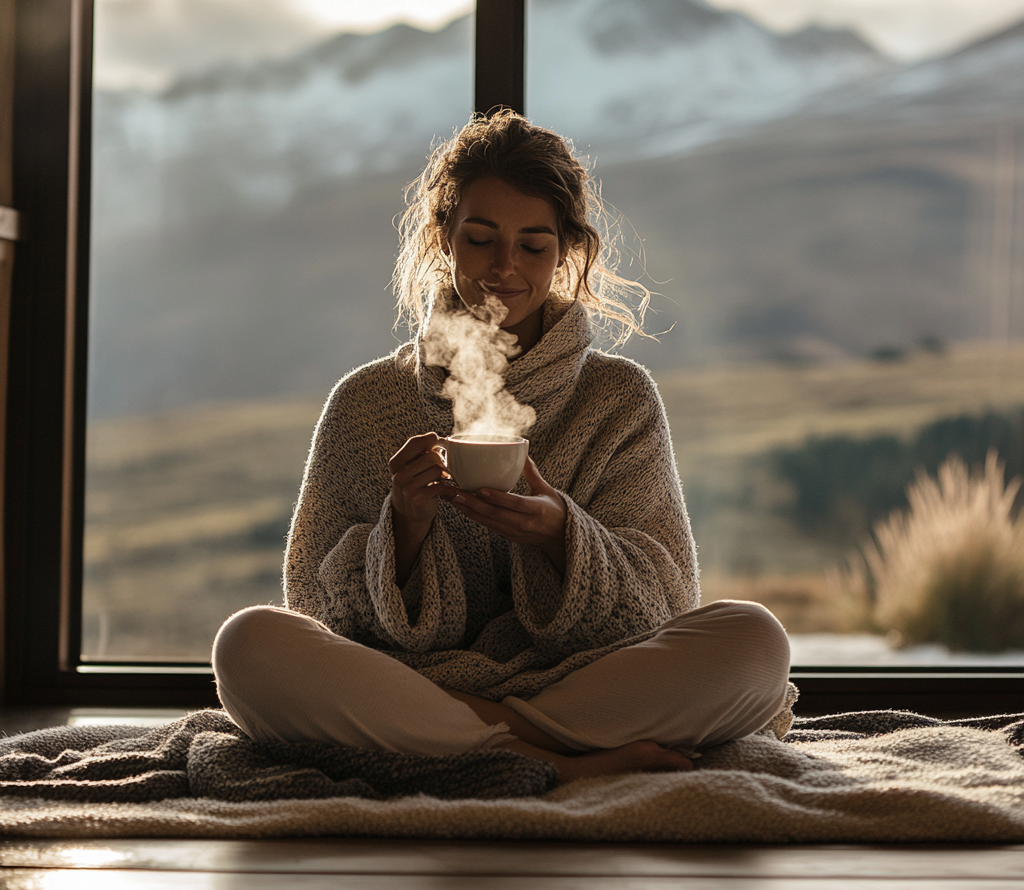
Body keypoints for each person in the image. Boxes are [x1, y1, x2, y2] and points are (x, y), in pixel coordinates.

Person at [212, 111, 792, 784]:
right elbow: (312, 607)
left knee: (754, 642)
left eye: (534, 246)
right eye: (482, 239)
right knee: (250, 645)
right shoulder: (367, 403)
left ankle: (466, 746)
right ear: (444, 240)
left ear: (567, 254)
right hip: (411, 682)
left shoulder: (618, 397)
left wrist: (562, 539)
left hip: (571, 684)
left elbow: (665, 600)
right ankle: (559, 761)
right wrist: (401, 530)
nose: (505, 268)